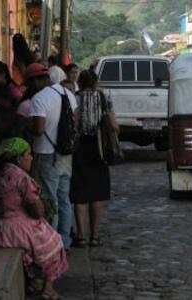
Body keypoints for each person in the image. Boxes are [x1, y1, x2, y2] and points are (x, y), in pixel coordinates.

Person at [0, 138, 68, 300]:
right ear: (19, 158)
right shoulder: (21, 177)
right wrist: (42, 205)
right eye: (28, 154)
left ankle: (33, 283)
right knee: (54, 241)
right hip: (14, 229)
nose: (31, 158)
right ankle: (48, 289)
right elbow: (37, 211)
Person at [27, 63, 78, 250]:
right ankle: (64, 241)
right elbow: (75, 122)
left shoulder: (39, 98)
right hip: (65, 153)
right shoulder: (68, 94)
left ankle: (51, 244)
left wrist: (28, 127)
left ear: (38, 80)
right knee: (64, 198)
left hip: (46, 153)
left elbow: (39, 130)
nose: (29, 87)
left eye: (30, 82)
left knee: (49, 199)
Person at [70, 70, 119, 248]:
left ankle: (81, 235)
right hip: (99, 148)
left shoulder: (73, 98)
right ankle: (95, 235)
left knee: (80, 193)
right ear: (95, 82)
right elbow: (114, 125)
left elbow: (72, 123)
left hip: (79, 147)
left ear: (80, 83)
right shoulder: (104, 98)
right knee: (98, 192)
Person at [0, 61, 23, 142]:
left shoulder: (12, 90)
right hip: (0, 130)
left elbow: (21, 108)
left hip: (11, 133)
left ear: (3, 74)